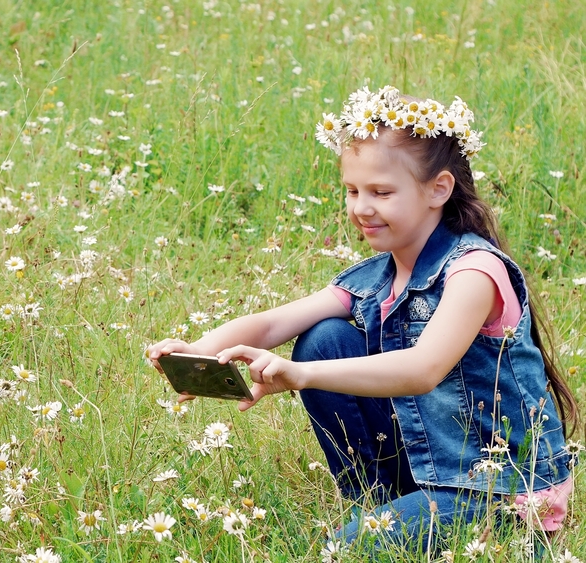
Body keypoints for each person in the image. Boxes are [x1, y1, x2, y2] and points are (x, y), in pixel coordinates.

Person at [146, 85, 579, 551]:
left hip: (498, 491)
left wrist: (299, 374)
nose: (360, 208)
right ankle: (378, 500)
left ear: (439, 189)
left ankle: (397, 525)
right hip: (433, 464)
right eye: (352, 190)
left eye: (381, 192)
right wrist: (199, 351)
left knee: (342, 552)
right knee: (325, 336)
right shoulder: (378, 276)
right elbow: (273, 324)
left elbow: (422, 370)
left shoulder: (474, 271)